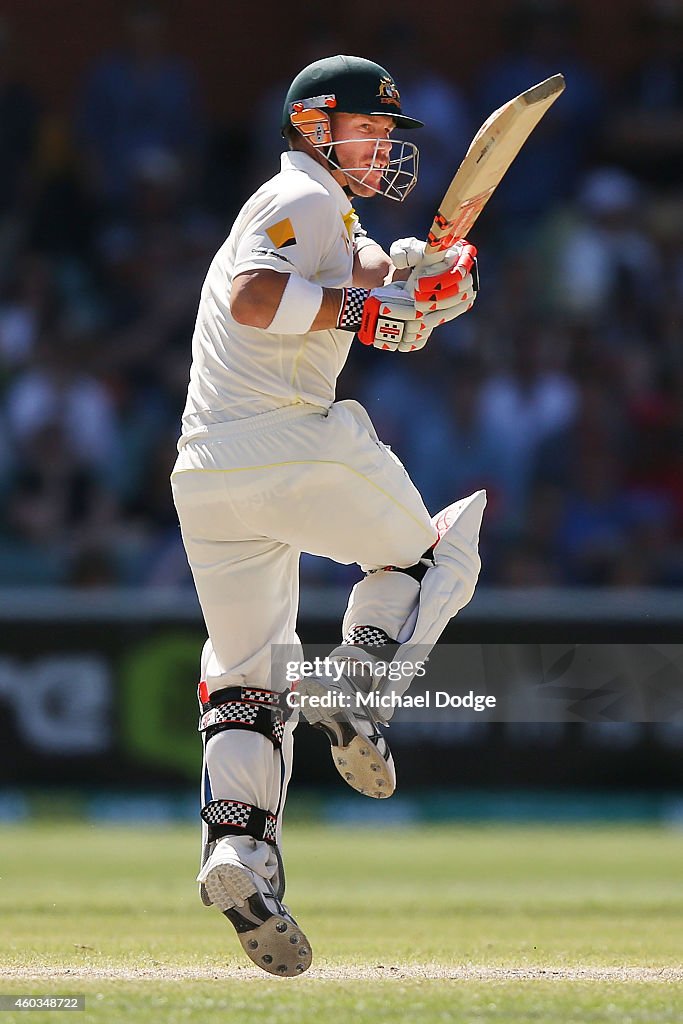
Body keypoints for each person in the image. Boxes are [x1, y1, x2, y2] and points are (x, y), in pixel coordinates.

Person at [171, 55, 486, 978]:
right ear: (314, 124)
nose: (385, 143)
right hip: (289, 445)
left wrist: (419, 281)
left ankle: (237, 852)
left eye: (389, 131)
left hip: (206, 476)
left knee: (245, 674)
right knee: (435, 557)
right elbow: (256, 296)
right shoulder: (295, 196)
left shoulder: (328, 211)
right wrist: (378, 307)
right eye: (369, 126)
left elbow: (372, 281)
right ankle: (357, 685)